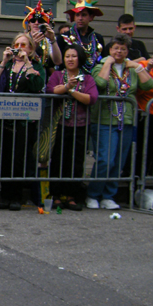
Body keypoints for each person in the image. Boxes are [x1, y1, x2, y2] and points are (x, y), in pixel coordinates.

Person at [87, 34, 153, 209]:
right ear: (110, 50)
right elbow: (99, 84)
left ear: (127, 51)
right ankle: (93, 194)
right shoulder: (100, 66)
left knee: (119, 160)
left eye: (123, 49)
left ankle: (109, 196)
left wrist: (139, 68)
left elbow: (148, 86)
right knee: (105, 159)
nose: (119, 51)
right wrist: (108, 64)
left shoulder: (131, 69)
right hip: (104, 119)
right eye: (116, 48)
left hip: (127, 119)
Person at [0, 33, 46, 210]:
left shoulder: (36, 66)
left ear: (31, 48)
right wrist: (4, 60)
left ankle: (16, 196)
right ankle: (5, 195)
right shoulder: (8, 65)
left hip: (24, 120)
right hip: (4, 118)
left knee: (19, 159)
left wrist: (28, 64)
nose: (19, 48)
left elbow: (38, 85)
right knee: (4, 159)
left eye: (24, 45)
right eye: (17, 44)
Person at [45, 45, 98, 211]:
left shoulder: (87, 78)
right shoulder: (57, 75)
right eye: (67, 56)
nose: (70, 59)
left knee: (76, 161)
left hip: (80, 126)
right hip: (59, 125)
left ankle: (71, 196)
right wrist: (67, 87)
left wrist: (71, 91)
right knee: (58, 160)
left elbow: (91, 98)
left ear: (79, 58)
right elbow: (52, 90)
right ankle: (56, 195)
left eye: (74, 56)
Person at [58, 0, 105, 72]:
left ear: (91, 17)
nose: (80, 18)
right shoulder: (63, 38)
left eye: (84, 15)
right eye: (77, 15)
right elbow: (58, 63)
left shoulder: (98, 38)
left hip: (92, 80)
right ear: (74, 17)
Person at [135, 44, 153, 179]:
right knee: (142, 149)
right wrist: (149, 68)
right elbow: (138, 89)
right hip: (143, 113)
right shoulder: (143, 65)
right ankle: (137, 177)